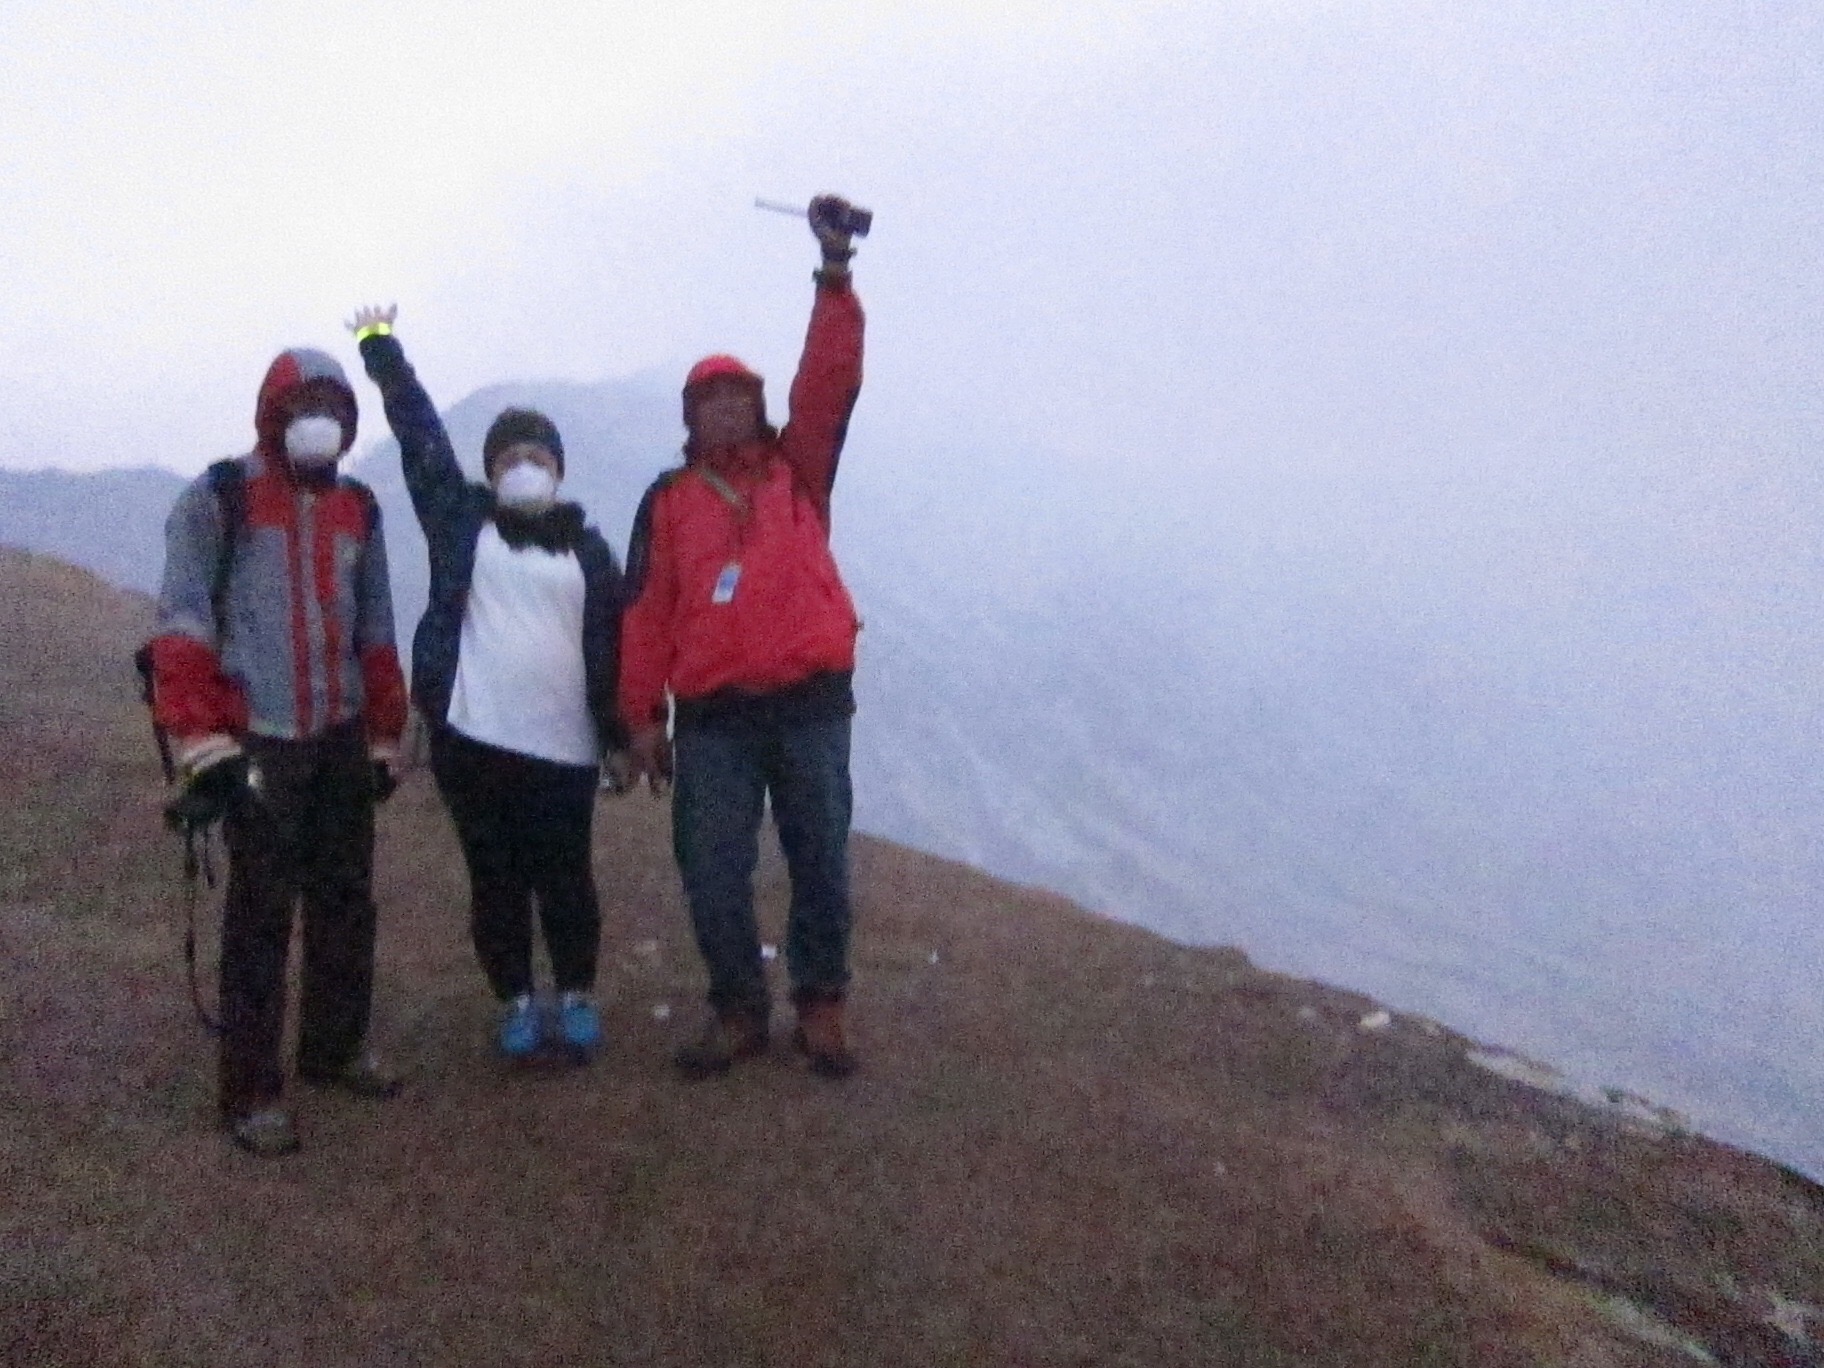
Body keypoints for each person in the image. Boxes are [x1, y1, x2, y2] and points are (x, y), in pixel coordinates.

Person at [620, 194, 867, 1079]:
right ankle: (737, 1007)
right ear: (689, 417)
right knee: (712, 869)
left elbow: (828, 381)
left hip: (811, 704)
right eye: (708, 401)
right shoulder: (668, 501)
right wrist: (640, 717)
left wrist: (833, 272)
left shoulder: (800, 469)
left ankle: (821, 1004)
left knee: (821, 862)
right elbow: (646, 612)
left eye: (738, 397)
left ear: (758, 406)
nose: (725, 410)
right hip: (715, 718)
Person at [147, 346, 410, 1157]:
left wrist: (385, 731)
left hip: (339, 734)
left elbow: (376, 628)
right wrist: (199, 737)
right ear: (273, 413)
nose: (320, 421)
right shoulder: (218, 498)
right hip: (257, 735)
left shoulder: (359, 508)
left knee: (345, 901)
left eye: (334, 408)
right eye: (304, 406)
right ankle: (251, 1089)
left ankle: (333, 1047)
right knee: (260, 914)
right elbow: (183, 619)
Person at [350, 305, 628, 1065]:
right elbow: (423, 446)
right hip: (473, 744)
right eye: (508, 458)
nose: (522, 467)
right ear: (490, 470)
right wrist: (383, 355)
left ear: (559, 469)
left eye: (536, 455)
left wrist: (623, 733)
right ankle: (515, 1001)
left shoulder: (592, 553)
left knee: (567, 879)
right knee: (496, 880)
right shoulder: (462, 526)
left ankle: (576, 995)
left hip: (567, 750)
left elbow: (615, 648)